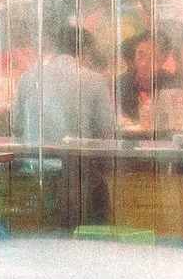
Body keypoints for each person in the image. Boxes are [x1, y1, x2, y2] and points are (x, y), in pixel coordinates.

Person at [12, 21, 114, 223]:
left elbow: (17, 127)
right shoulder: (94, 79)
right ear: (84, 51)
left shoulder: (28, 77)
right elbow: (106, 129)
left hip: (33, 169)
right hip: (77, 174)